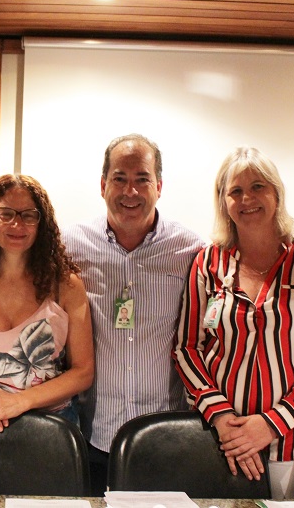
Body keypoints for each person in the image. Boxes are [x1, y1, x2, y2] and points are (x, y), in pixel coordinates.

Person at [173, 146, 294, 499]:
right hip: (221, 439)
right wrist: (222, 418)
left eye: (258, 187)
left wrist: (271, 423)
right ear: (223, 201)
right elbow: (187, 348)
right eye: (235, 191)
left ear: (276, 194)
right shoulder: (208, 262)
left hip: (292, 442)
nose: (246, 199)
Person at [61, 134, 204, 495]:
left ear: (159, 186)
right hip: (93, 436)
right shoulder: (69, 245)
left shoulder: (191, 249)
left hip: (166, 435)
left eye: (142, 179)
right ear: (102, 185)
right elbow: (12, 257)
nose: (130, 191)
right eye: (120, 178)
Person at [0, 174, 94, 432]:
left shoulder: (66, 286)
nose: (17, 224)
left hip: (51, 430)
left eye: (28, 215)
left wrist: (17, 402)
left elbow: (83, 372)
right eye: (6, 214)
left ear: (41, 223)